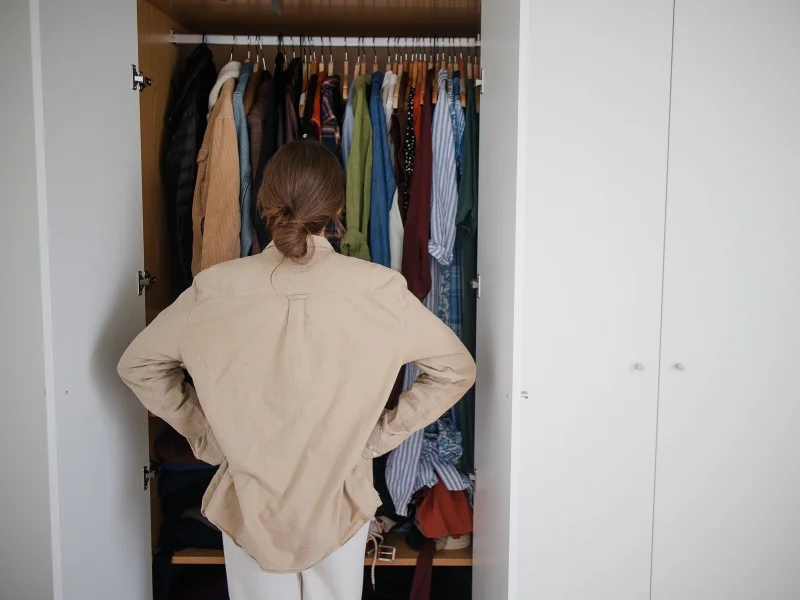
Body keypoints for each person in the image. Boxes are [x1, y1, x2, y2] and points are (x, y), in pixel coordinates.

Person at [118, 140, 476, 600]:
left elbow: (139, 364)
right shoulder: (380, 290)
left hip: (249, 504)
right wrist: (376, 437)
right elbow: (455, 369)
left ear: (264, 202)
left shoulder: (213, 290)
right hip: (339, 502)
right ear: (337, 207)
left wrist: (205, 434)